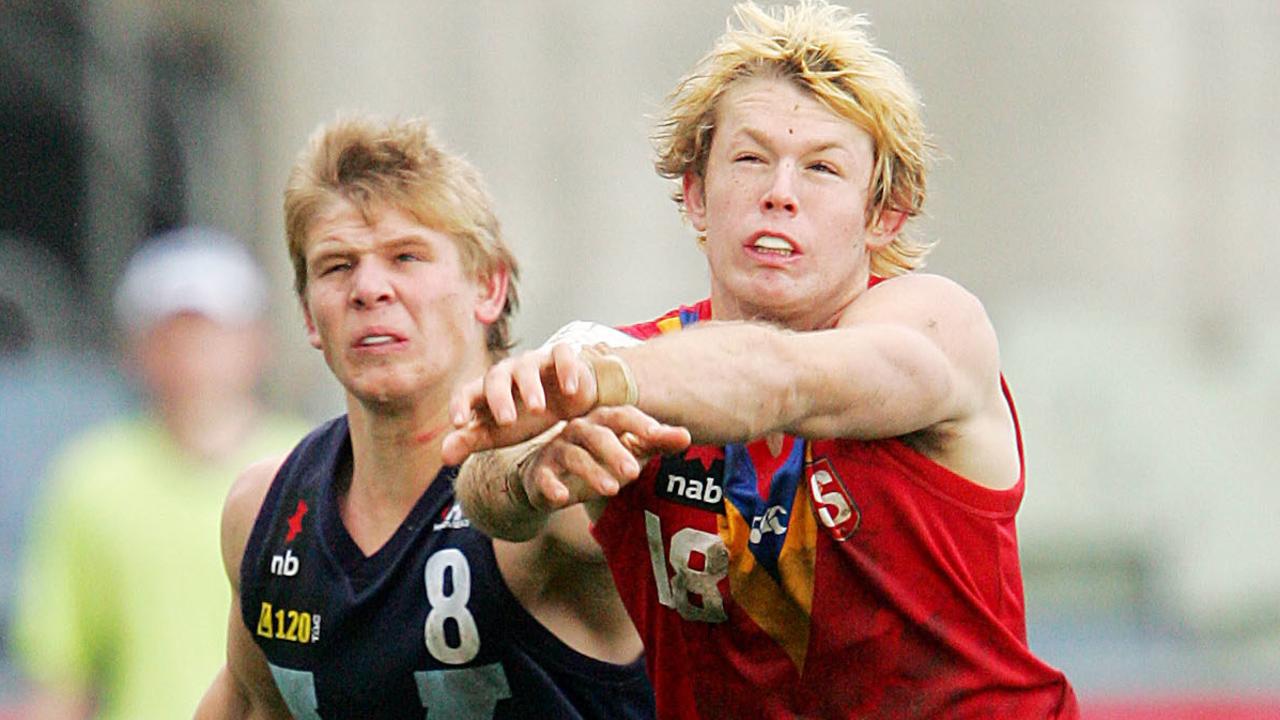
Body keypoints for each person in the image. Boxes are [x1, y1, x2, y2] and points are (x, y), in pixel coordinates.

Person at [443, 1, 1080, 718]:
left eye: (821, 168)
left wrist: (603, 379)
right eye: (749, 159)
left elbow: (777, 379)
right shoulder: (627, 361)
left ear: (883, 216)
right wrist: (532, 474)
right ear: (695, 195)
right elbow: (484, 485)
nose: (779, 194)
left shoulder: (937, 324)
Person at [194, 114, 679, 719]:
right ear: (309, 316)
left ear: (489, 287)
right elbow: (249, 702)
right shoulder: (262, 510)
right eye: (337, 265)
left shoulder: (558, 476)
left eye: (406, 257)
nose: (369, 289)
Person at [9, 228, 309, 720]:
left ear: (257, 342)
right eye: (173, 332)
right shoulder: (90, 480)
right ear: (137, 347)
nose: (194, 352)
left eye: (212, 331)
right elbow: (59, 677)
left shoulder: (310, 465)